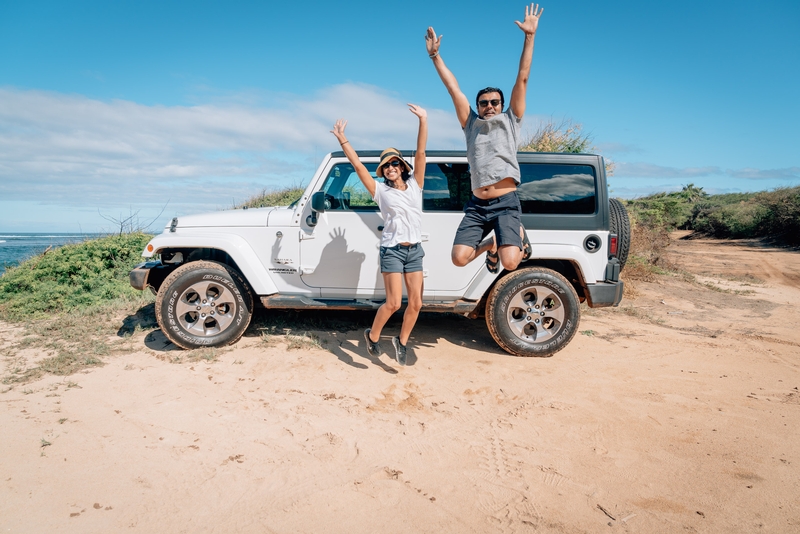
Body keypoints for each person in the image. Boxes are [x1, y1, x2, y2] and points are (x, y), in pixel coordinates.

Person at [425, 3, 543, 274]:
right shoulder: (470, 125)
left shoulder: (511, 120)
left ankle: (508, 241)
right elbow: (453, 88)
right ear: (477, 106)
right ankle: (491, 243)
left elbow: (522, 78)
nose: (489, 106)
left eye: (494, 102)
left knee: (511, 263)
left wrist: (529, 36)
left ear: (501, 105)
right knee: (459, 258)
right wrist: (435, 57)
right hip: (477, 205)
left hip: (505, 203)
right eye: (483, 103)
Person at [330, 104, 428, 366]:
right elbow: (358, 165)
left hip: (415, 250)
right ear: (383, 171)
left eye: (395, 163)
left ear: (402, 166)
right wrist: (343, 140)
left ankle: (402, 342)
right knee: (394, 303)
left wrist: (423, 120)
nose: (391, 167)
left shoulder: (416, 184)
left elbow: (420, 152)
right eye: (386, 165)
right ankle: (372, 336)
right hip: (393, 251)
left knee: (416, 304)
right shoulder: (381, 192)